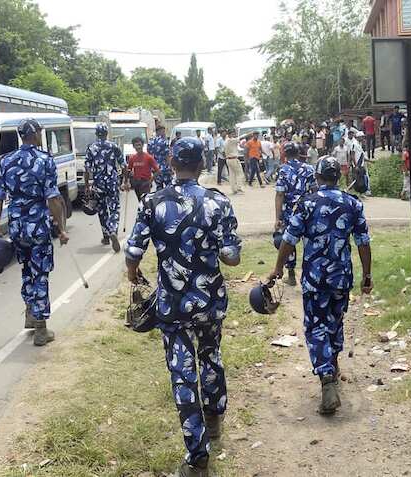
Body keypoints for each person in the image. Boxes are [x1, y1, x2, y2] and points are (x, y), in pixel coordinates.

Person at [125, 136, 242, 477]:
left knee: (182, 373)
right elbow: (233, 258)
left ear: (172, 165)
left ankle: (198, 456)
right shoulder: (218, 203)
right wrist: (216, 250)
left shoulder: (153, 202)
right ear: (203, 165)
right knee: (211, 355)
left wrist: (134, 277)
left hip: (173, 304)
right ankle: (215, 416)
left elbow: (133, 253)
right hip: (209, 301)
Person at [266, 155, 372, 414]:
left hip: (315, 279)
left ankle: (326, 379)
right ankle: (333, 366)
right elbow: (363, 242)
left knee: (316, 327)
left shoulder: (306, 204)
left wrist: (278, 268)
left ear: (317, 177)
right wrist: (367, 276)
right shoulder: (352, 203)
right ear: (338, 178)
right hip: (341, 278)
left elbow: (289, 240)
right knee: (335, 322)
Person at [0, 119, 69, 347]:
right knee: (41, 272)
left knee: (26, 269)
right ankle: (41, 329)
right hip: (38, 227)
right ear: (34, 134)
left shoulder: (6, 161)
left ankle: (29, 314)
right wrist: (61, 229)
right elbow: (53, 198)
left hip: (16, 226)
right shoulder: (45, 160)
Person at [275, 142, 317, 286]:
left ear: (285, 154)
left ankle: (291, 274)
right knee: (309, 241)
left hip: (290, 212)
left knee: (289, 242)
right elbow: (314, 191)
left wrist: (278, 217)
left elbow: (280, 194)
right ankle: (309, 274)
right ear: (299, 153)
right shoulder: (309, 169)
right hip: (307, 210)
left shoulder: (283, 170)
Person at [84, 123, 125, 252]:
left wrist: (86, 185)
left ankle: (106, 236)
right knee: (114, 209)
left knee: (102, 211)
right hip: (112, 183)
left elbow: (87, 169)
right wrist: (125, 181)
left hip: (98, 184)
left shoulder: (91, 148)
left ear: (96, 134)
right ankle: (113, 230)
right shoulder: (114, 146)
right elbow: (124, 166)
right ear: (107, 133)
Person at [126, 136, 159, 201]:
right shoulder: (132, 158)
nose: (138, 147)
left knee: (146, 202)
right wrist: (127, 181)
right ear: (133, 146)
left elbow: (157, 171)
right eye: (136, 145)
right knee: (140, 201)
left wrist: (150, 180)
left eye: (139, 145)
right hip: (136, 183)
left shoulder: (149, 157)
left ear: (142, 145)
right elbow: (128, 170)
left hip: (145, 183)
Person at [149, 125, 173, 191]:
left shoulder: (150, 142)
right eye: (163, 131)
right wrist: (171, 168)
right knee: (169, 187)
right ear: (159, 131)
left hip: (155, 169)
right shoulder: (164, 142)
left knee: (159, 187)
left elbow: (149, 156)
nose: (164, 133)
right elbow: (167, 156)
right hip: (164, 168)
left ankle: (159, 199)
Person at [223, 130, 243, 194]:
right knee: (239, 173)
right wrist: (250, 134)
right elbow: (240, 138)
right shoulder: (231, 140)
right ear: (229, 134)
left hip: (228, 159)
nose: (234, 135)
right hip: (233, 159)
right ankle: (239, 188)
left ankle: (234, 189)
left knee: (232, 175)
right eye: (233, 134)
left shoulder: (226, 141)